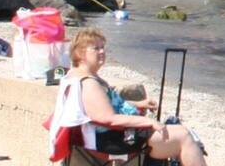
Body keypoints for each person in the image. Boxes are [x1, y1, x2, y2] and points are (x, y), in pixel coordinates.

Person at [59, 29, 208, 165]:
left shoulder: (77, 76)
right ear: (79, 54)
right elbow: (108, 118)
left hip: (104, 134)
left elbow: (102, 105)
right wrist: (147, 122)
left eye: (103, 47)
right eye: (96, 48)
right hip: (109, 140)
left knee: (175, 132)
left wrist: (138, 104)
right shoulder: (89, 84)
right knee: (184, 136)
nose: (102, 51)